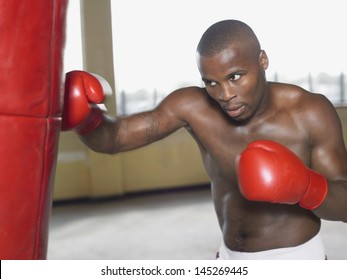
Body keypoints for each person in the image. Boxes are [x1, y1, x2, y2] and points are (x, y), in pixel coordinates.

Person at [61, 19, 347, 259]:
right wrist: (88, 119)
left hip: (295, 260)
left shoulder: (310, 112)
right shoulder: (193, 107)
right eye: (211, 82)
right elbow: (116, 138)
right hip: (227, 257)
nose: (225, 95)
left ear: (262, 60)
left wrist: (305, 186)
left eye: (235, 76)